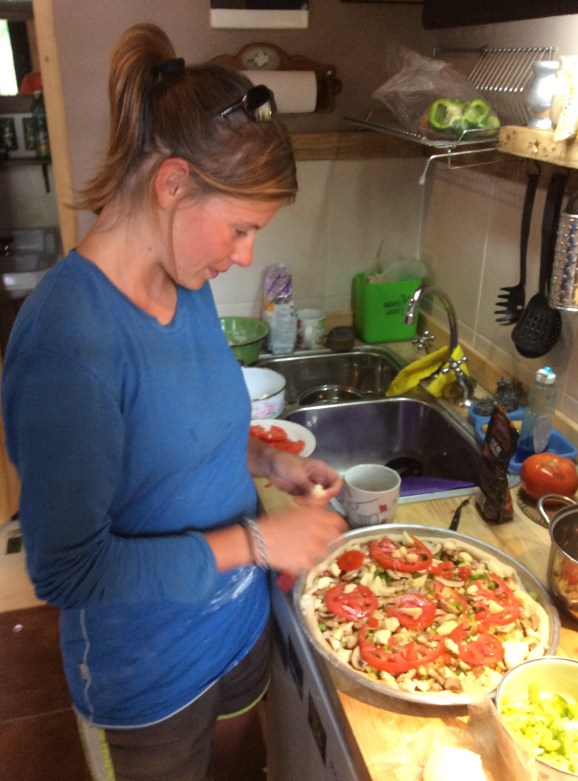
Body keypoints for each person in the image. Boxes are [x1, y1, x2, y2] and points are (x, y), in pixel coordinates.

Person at [1, 23, 346, 781]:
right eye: (241, 228)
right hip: (148, 674)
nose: (246, 254)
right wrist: (262, 541)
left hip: (237, 628)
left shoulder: (185, 282)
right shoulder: (68, 339)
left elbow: (185, 424)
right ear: (173, 184)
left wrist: (267, 463)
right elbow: (69, 570)